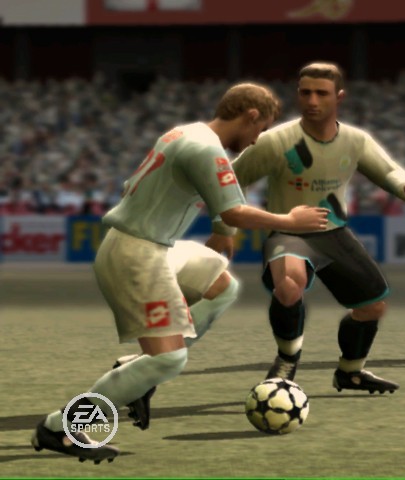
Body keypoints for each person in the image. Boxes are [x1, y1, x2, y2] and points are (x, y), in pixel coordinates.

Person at [31, 82, 329, 464]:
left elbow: (212, 198)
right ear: (250, 115)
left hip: (156, 245)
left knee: (221, 286)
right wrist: (289, 221)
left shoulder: (186, 133)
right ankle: (60, 426)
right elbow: (233, 210)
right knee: (169, 361)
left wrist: (222, 232)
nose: (257, 139)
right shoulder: (207, 149)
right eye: (261, 128)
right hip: (138, 255)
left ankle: (140, 371)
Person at [206, 62, 405, 393]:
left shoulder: (355, 140)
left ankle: (350, 372)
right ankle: (287, 359)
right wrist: (223, 230)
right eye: (305, 93)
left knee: (372, 306)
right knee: (289, 286)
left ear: (338, 97)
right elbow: (230, 180)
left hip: (334, 232)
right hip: (289, 233)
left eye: (321, 93)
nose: (312, 101)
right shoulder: (275, 141)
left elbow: (388, 171)